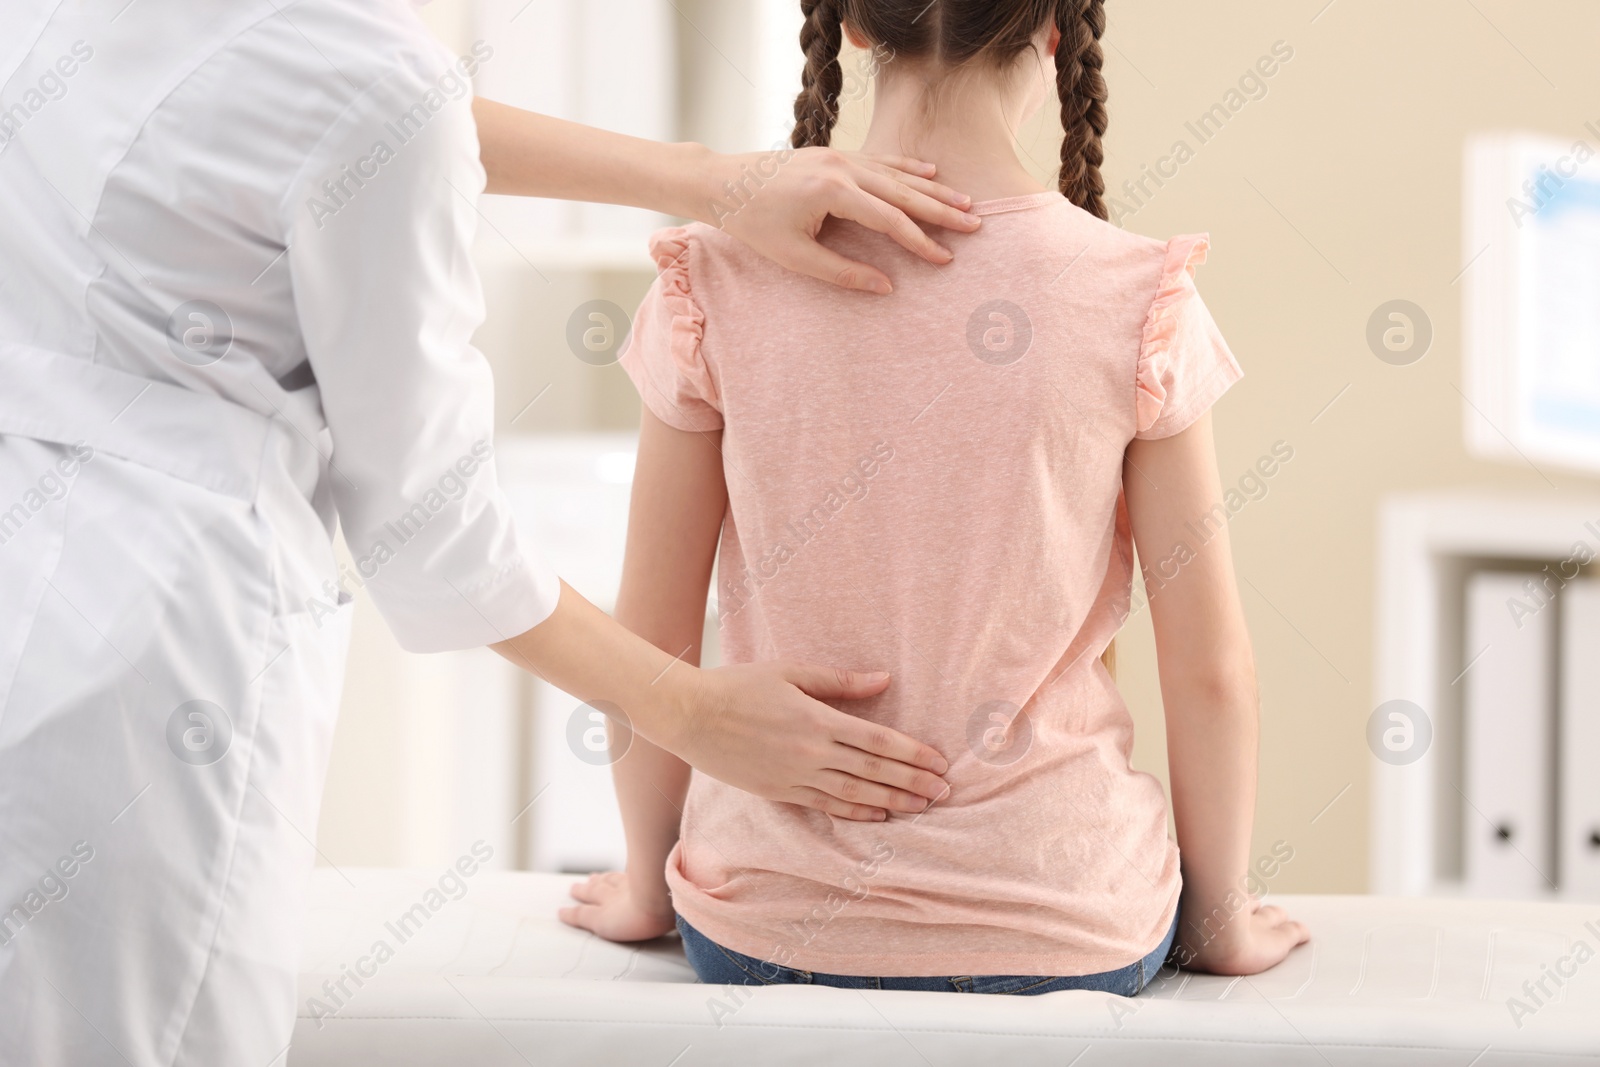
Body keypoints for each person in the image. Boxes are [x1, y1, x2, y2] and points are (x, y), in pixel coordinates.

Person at [0, 1, 979, 1062]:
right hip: (150, 675)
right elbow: (433, 528)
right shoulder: (372, 77)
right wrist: (685, 707)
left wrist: (702, 178)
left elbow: (316, 109)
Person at [560, 0, 1311, 993]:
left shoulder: (713, 277)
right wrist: (1217, 917)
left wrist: (649, 886)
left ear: (852, 29)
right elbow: (1208, 665)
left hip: (759, 926)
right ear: (1054, 30)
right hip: (1069, 926)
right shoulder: (1139, 296)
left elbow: (653, 637)